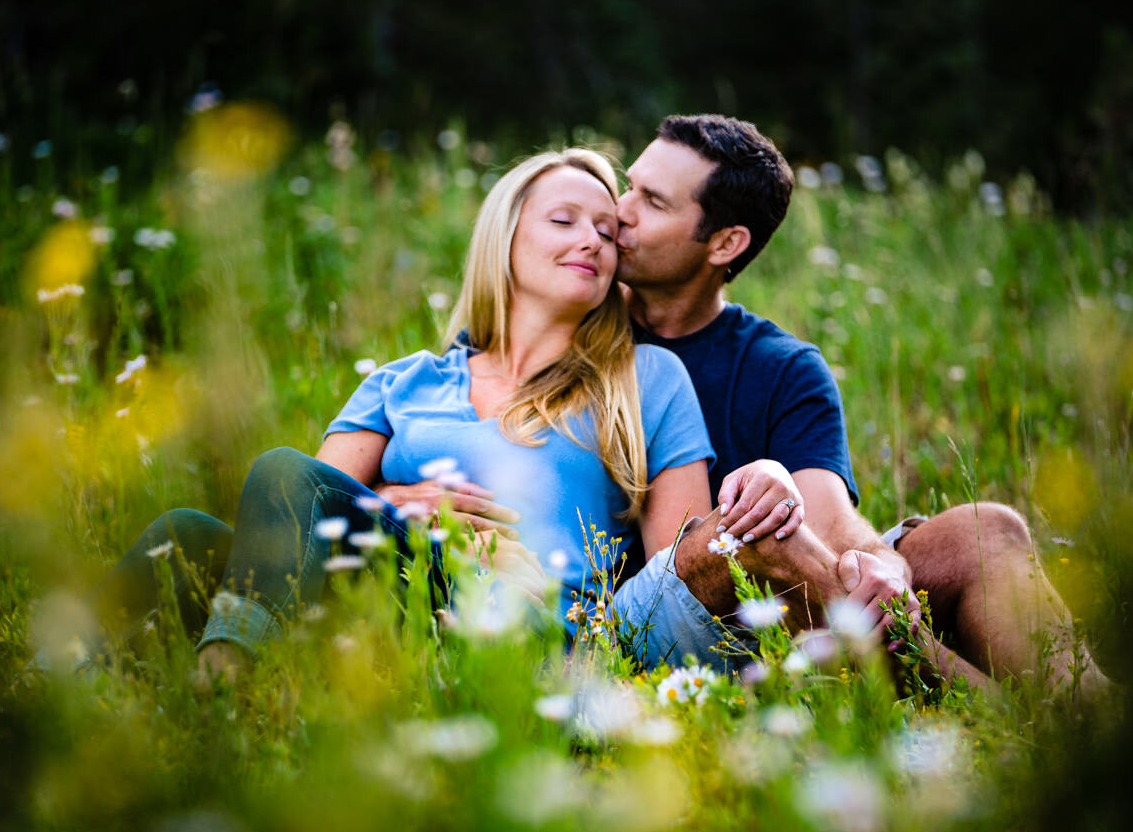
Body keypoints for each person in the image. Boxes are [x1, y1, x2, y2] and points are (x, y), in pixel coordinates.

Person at [384, 115, 1108, 694]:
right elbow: (460, 417)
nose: (619, 213)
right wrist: (396, 495)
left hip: (788, 588)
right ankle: (1018, 729)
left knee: (988, 528)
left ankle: (1102, 721)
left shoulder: (778, 367)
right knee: (756, 542)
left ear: (724, 242)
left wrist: (878, 566)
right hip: (651, 609)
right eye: (629, 186)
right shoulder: (564, 307)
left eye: (652, 203)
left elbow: (820, 520)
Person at [77, 147, 805, 680]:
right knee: (186, 533)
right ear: (507, 235)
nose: (592, 239)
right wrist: (403, 502)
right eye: (564, 220)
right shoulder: (406, 382)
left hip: (527, 626)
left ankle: (224, 690)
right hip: (381, 593)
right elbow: (302, 513)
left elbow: (678, 573)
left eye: (606, 232)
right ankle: (54, 684)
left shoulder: (645, 379)